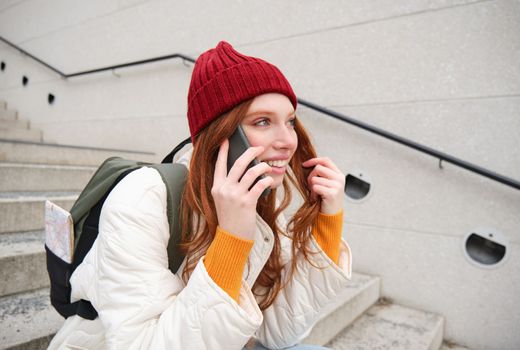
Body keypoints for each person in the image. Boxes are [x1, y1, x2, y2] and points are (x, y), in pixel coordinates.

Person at [48, 41, 352, 350]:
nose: (288, 140)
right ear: (221, 133)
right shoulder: (142, 197)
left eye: (289, 121)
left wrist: (328, 225)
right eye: (262, 121)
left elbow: (277, 333)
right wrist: (232, 238)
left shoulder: (253, 200)